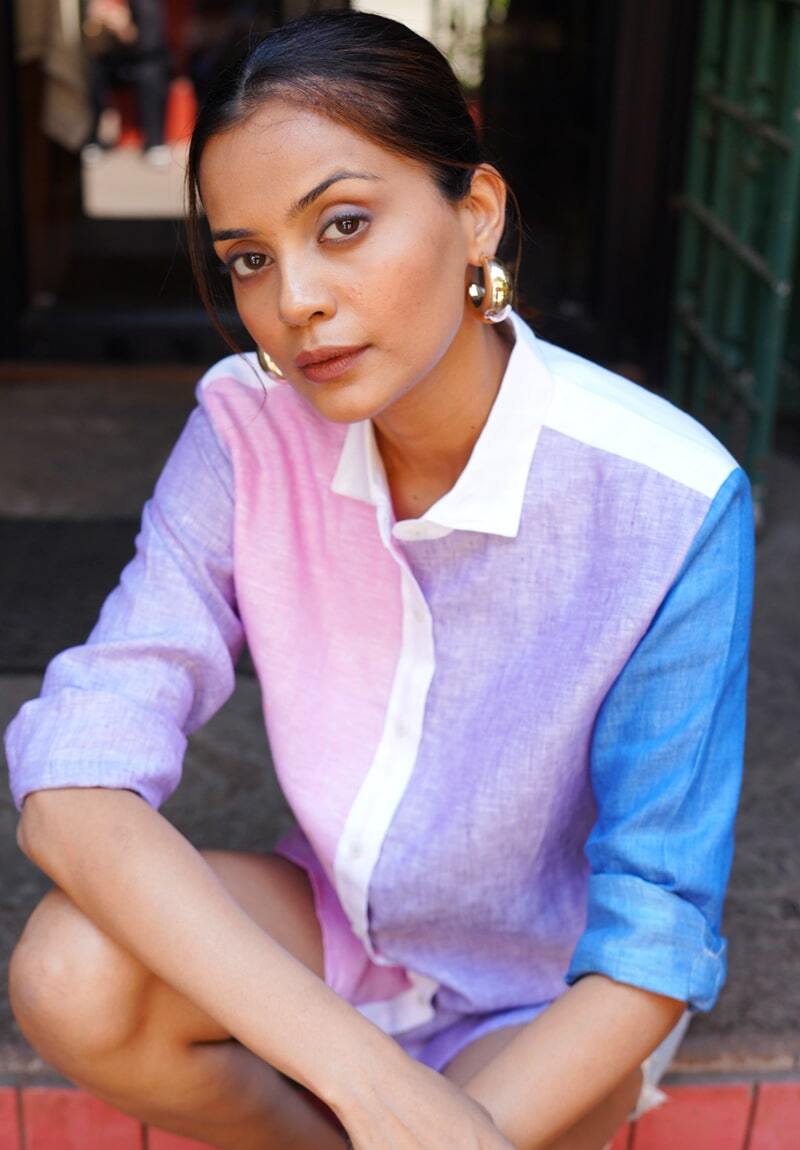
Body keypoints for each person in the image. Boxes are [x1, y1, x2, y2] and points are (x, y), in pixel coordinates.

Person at [4, 11, 755, 1150]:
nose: (293, 299)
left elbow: (657, 930)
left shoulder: (669, 497)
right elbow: (77, 777)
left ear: (476, 213)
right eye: (249, 258)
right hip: (337, 934)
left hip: (550, 989)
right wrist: (365, 1083)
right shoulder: (249, 428)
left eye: (343, 224)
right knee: (71, 970)